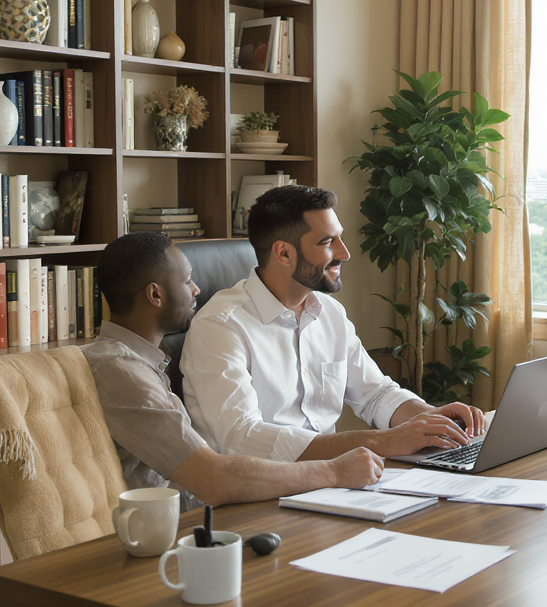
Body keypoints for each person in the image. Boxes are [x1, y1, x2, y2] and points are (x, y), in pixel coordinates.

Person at [181, 184, 487, 463]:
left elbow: (375, 394)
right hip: (255, 497)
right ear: (284, 253)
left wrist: (432, 419)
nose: (345, 253)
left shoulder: (330, 313)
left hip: (331, 482)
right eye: (328, 242)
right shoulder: (220, 326)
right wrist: (381, 442)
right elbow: (242, 438)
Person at [83, 232, 384, 508]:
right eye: (187, 280)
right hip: (165, 531)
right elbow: (215, 480)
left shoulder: (139, 362)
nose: (196, 289)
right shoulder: (121, 370)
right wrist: (333, 470)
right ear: (155, 295)